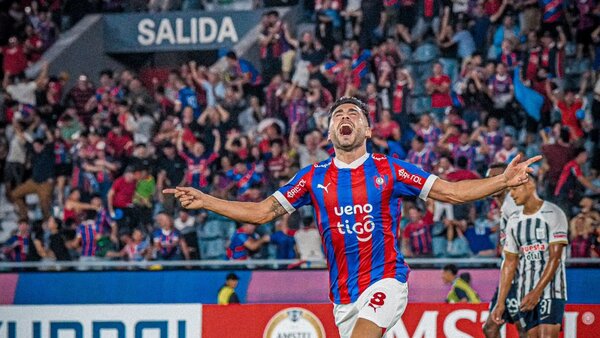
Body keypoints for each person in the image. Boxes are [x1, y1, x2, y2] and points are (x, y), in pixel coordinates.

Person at [164, 97, 540, 338]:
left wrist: (501, 182)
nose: (345, 117)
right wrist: (207, 201)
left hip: (387, 281)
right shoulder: (312, 177)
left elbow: (453, 191)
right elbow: (263, 212)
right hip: (344, 299)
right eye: (338, 114)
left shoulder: (390, 170)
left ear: (367, 130)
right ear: (330, 131)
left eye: (353, 114)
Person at [491, 174, 568, 338]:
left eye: (514, 189)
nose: (511, 194)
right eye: (510, 190)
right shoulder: (514, 221)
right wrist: (500, 302)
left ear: (530, 185)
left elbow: (555, 258)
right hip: (524, 292)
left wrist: (537, 292)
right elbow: (509, 263)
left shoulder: (553, 213)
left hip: (550, 290)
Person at [483, 163, 526, 338]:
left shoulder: (516, 206)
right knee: (490, 328)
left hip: (521, 276)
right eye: (489, 179)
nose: (491, 183)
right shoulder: (502, 207)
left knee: (524, 329)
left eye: (495, 178)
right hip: (508, 277)